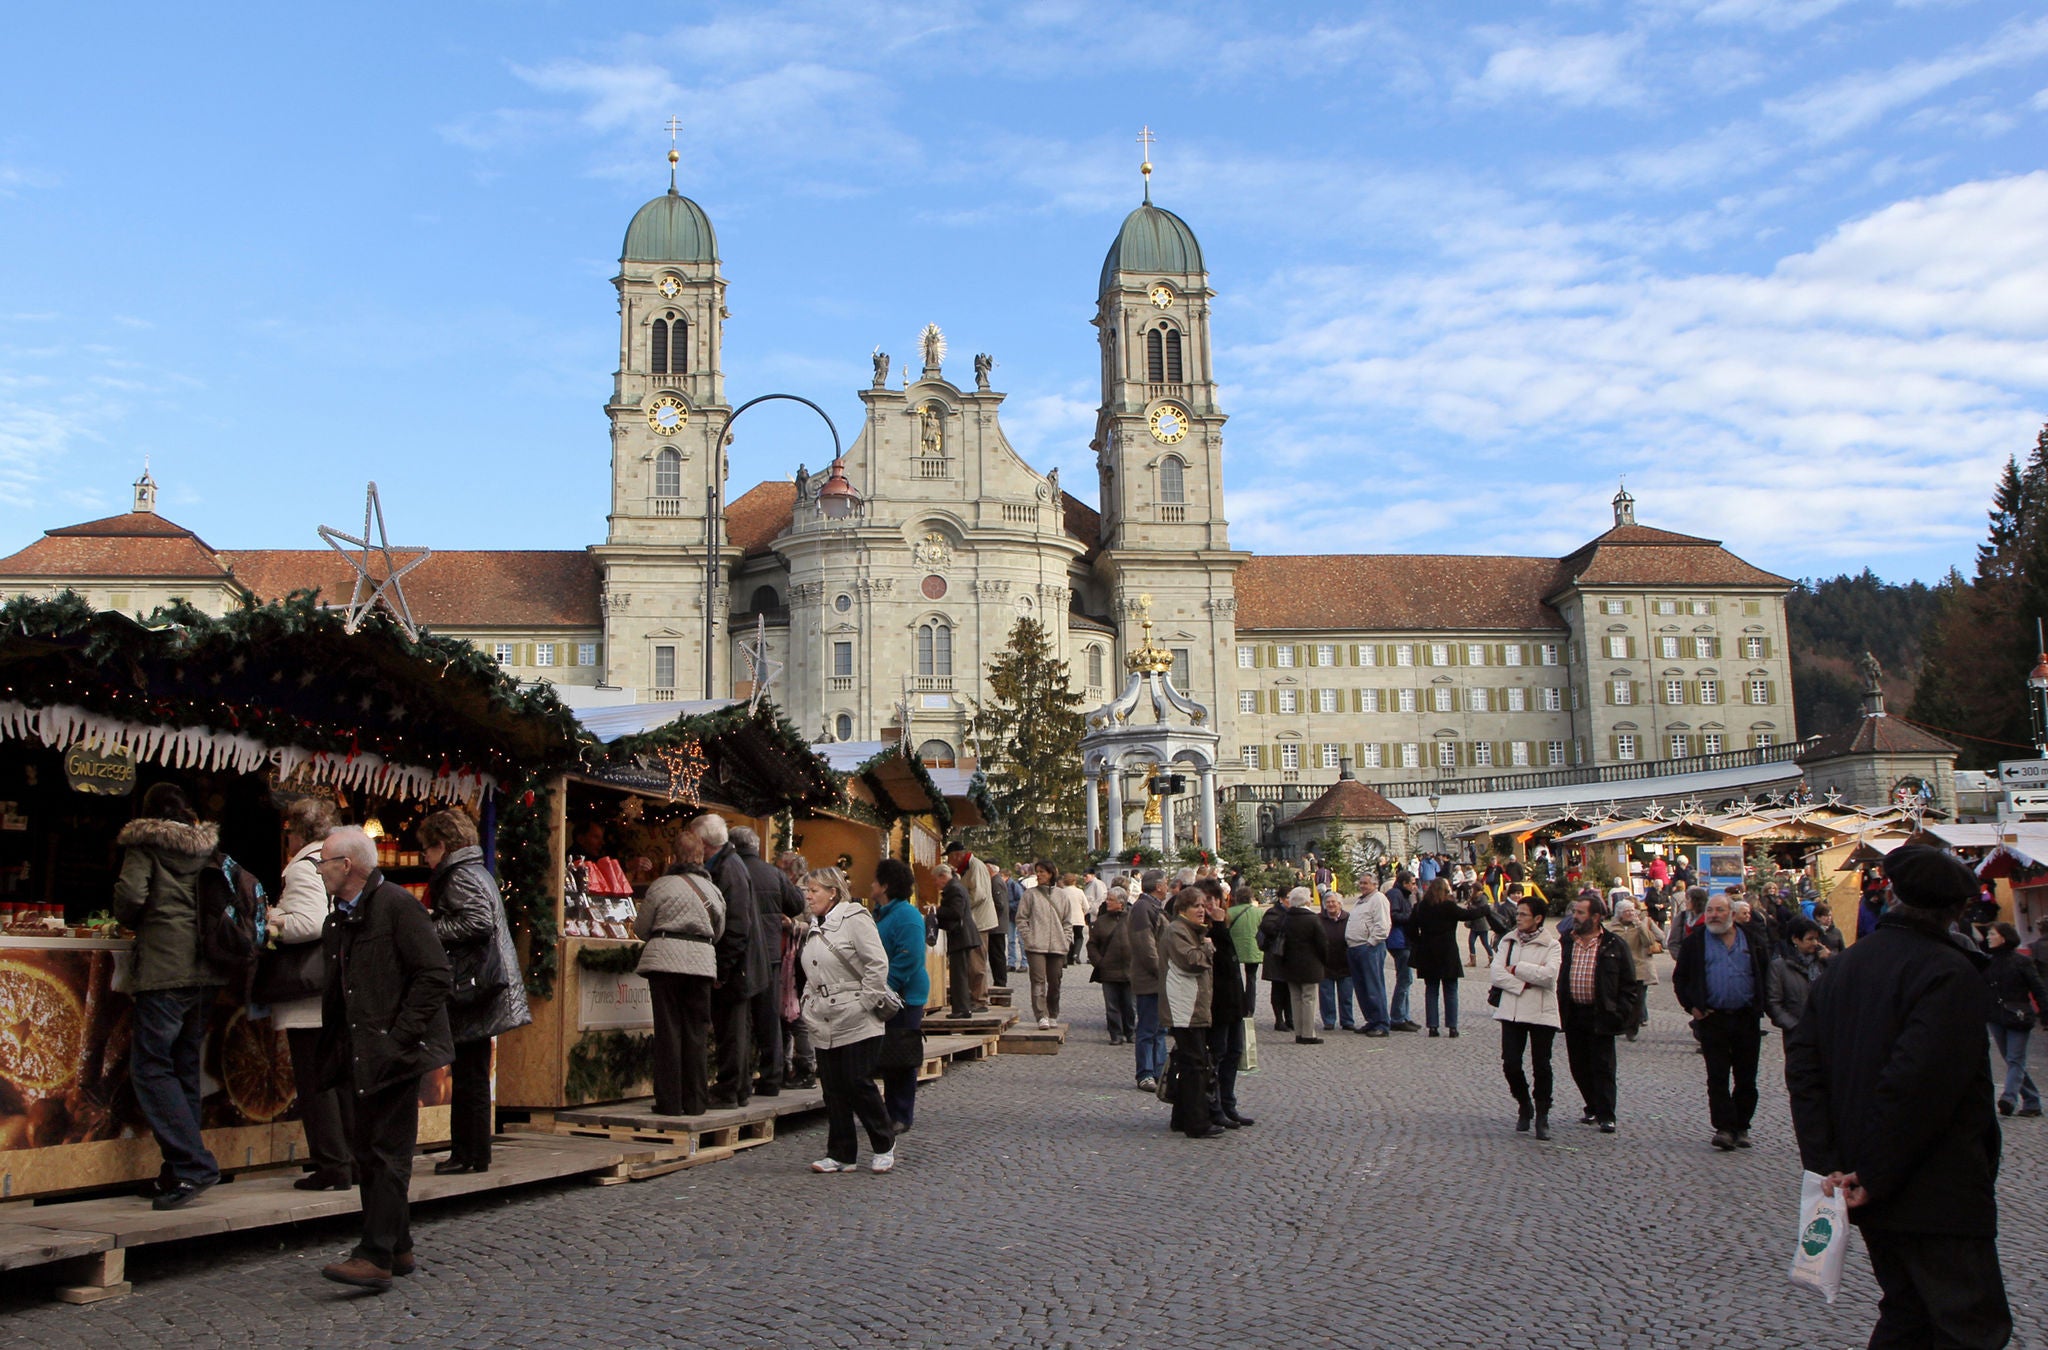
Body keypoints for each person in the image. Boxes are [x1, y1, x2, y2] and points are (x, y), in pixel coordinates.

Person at [1786, 845, 2013, 1348]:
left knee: (1908, 1313)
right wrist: (1869, 1172)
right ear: (1957, 911)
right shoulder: (1947, 973)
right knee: (1966, 1322)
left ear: (1892, 895)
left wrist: (1832, 1167)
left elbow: (1804, 1072)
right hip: (1934, 1182)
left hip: (1866, 1180)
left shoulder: (1844, 968)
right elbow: (1916, 1084)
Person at [314, 826, 453, 1291]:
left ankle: (374, 1254)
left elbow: (434, 974)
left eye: (324, 862)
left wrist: (400, 1038)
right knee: (369, 1149)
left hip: (393, 1051)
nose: (320, 870)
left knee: (386, 1153)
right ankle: (398, 1245)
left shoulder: (396, 905)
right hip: (362, 1051)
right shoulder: (340, 918)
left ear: (347, 865)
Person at [111, 782, 225, 1210]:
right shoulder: (205, 848)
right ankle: (177, 1171)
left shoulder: (145, 843)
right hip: (205, 971)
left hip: (164, 968)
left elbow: (130, 897)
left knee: (151, 1069)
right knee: (183, 1068)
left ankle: (193, 1165)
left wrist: (131, 918)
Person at [420, 807, 531, 1175]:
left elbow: (477, 921)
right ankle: (472, 1152)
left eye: (427, 849)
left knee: (469, 1074)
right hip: (482, 984)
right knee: (473, 1073)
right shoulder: (476, 871)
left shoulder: (459, 875)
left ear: (442, 845)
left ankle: (467, 1153)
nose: (424, 857)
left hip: (472, 986)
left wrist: (431, 927)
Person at [263, 796, 353, 1192]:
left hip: (307, 992)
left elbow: (310, 922)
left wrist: (272, 922)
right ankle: (347, 1160)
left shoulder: (303, 868)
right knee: (337, 1081)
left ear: (295, 832)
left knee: (316, 1083)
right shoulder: (338, 860)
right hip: (334, 984)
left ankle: (332, 1164)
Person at [799, 866, 899, 1173]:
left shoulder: (854, 918)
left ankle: (884, 1142)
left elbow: (877, 963)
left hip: (857, 1015)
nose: (808, 895)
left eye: (814, 890)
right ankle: (841, 1153)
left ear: (832, 892)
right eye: (806, 890)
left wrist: (865, 1002)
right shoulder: (816, 925)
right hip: (824, 1018)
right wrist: (807, 1002)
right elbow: (812, 971)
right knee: (832, 1087)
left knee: (858, 1081)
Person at [634, 827, 724, 1117]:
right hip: (700, 964)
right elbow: (719, 930)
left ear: (674, 854)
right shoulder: (713, 890)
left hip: (664, 963)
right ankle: (696, 1100)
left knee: (668, 1031)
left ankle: (670, 1102)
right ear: (700, 856)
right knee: (697, 1032)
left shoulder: (661, 886)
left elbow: (641, 927)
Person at [1673, 891, 1770, 1152]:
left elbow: (1764, 972)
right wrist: (1692, 1006)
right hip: (1712, 1018)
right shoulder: (1696, 943)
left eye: (1720, 910)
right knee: (1717, 1076)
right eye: (1711, 910)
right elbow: (1680, 978)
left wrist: (1764, 1005)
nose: (1714, 915)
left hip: (1745, 1017)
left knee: (1746, 1077)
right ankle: (1724, 1128)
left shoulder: (1751, 939)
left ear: (1732, 914)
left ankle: (1742, 1126)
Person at [697, 814, 765, 1109]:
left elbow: (737, 925)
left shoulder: (728, 868)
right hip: (740, 962)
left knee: (733, 1029)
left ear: (703, 842)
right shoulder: (729, 864)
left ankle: (731, 1088)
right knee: (733, 1029)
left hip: (738, 965)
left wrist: (723, 968)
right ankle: (738, 1087)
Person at [731, 826, 804, 1097]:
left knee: (738, 1019)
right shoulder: (773, 873)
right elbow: (796, 903)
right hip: (771, 953)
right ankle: (772, 1077)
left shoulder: (730, 870)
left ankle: (739, 1079)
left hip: (738, 952)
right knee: (769, 1017)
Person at [1556, 893, 1638, 1133]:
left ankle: (1606, 1113)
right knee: (1578, 1065)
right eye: (1575, 912)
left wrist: (1620, 1012)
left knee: (1603, 1065)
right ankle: (1591, 1105)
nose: (1575, 917)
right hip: (1573, 1012)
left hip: (1602, 1012)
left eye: (1581, 913)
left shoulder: (1613, 944)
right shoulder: (1566, 942)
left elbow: (1628, 982)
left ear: (1596, 917)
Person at [1490, 894, 1562, 1140]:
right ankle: (1523, 1103)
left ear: (1538, 918)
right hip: (1512, 1010)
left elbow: (1549, 977)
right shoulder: (1508, 941)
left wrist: (1518, 969)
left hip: (1542, 1012)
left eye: (1523, 914)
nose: (1518, 918)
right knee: (1510, 1063)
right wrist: (1522, 984)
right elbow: (1497, 974)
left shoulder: (1551, 945)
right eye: (1518, 913)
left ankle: (1542, 1113)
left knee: (1541, 1065)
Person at [869, 858, 930, 1135]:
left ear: (885, 885)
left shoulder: (906, 915)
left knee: (901, 1055)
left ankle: (901, 1114)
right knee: (889, 1055)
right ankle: (890, 1110)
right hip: (888, 993)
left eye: (874, 880)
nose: (870, 885)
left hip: (904, 995)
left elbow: (911, 956)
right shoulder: (883, 912)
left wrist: (888, 987)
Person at [1158, 888, 1222, 1138]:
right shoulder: (1177, 931)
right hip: (1184, 1006)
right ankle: (1196, 1122)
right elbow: (1191, 961)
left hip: (1189, 1005)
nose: (1201, 910)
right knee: (1195, 1065)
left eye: (1203, 905)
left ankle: (1182, 1117)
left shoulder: (1188, 930)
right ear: (1182, 909)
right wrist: (1208, 948)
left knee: (1190, 1062)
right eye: (1196, 905)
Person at [1200, 881, 1253, 1129]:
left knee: (1233, 1054)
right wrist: (1219, 925)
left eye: (1215, 900)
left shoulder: (1224, 925)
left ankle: (1228, 1103)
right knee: (1217, 1056)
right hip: (1215, 1004)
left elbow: (1233, 966)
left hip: (1232, 1001)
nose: (1212, 905)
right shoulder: (1204, 930)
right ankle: (1215, 1106)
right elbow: (1218, 960)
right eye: (1207, 900)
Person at [1984, 921, 2048, 1118]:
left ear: (2003, 937)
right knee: (2012, 1061)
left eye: (1992, 934)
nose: (1988, 937)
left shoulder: (2021, 961)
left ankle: (2009, 1098)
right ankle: (2032, 1101)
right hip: (1996, 1016)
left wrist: (2045, 1016)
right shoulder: (1987, 961)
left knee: (2015, 1059)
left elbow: (2038, 989)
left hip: (2018, 1016)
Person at [1410, 878, 1488, 1038]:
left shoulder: (1421, 907)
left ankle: (1433, 1026)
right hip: (1447, 950)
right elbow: (1466, 915)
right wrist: (1485, 909)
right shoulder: (1448, 906)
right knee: (1451, 989)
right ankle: (1452, 1027)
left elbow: (1410, 929)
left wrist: (1420, 941)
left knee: (1431, 990)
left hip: (1428, 951)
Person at [1127, 869, 1170, 1090]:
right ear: (1158, 886)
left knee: (1159, 1028)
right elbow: (1145, 945)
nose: (1168, 886)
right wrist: (1160, 971)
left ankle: (1159, 1070)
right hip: (1150, 979)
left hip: (1159, 978)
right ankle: (1146, 1072)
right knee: (1147, 1028)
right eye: (1165, 883)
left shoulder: (1153, 907)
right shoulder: (1143, 908)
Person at [1015, 860, 1070, 1029]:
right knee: (1038, 981)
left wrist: (1066, 939)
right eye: (1037, 871)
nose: (1039, 875)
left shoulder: (1061, 895)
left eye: (1042, 872)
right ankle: (1041, 1015)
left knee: (1055, 981)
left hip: (1058, 946)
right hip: (1036, 945)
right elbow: (1021, 918)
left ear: (1051, 874)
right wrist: (1028, 937)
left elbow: (1068, 921)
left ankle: (1053, 1013)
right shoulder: (1030, 894)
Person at [1271, 887, 1330, 1044]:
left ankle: (1298, 1031)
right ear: (1306, 900)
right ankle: (1308, 1033)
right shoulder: (1312, 919)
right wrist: (1324, 960)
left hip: (1290, 963)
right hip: (1310, 964)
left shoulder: (1286, 918)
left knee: (1295, 998)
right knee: (1309, 998)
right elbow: (1322, 943)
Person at [946, 839, 997, 1009]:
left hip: (979, 922)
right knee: (970, 963)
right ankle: (973, 997)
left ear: (957, 856)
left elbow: (979, 894)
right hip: (973, 921)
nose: (948, 861)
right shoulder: (966, 867)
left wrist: (960, 905)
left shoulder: (976, 866)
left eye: (949, 857)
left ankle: (980, 999)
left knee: (977, 963)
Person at [1344, 873, 1391, 1036]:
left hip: (1369, 947)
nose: (1362, 885)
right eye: (1361, 882)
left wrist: (1371, 942)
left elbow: (1383, 925)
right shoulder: (1360, 900)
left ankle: (1381, 1022)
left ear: (1374, 884)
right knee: (1361, 988)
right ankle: (1371, 1020)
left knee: (1373, 986)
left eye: (1366, 883)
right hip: (1354, 947)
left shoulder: (1378, 899)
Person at [1088, 886, 1135, 1044]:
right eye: (1107, 899)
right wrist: (1099, 962)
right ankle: (1116, 1034)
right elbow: (1092, 945)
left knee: (1129, 1005)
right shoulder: (1101, 922)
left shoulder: (1132, 919)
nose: (1107, 902)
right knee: (1112, 1005)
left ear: (1121, 903)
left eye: (1110, 899)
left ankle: (1130, 1032)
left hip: (1129, 971)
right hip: (1108, 971)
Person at [1608, 898, 1659, 1041]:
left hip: (1638, 968)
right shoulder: (1611, 928)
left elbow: (1649, 941)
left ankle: (1632, 1028)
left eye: (1632, 910)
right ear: (1620, 914)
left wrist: (1640, 925)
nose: (1631, 913)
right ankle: (1620, 1023)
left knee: (1638, 1001)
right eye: (1627, 911)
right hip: (1618, 969)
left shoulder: (1639, 926)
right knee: (1620, 999)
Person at [931, 861, 976, 1019]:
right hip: (961, 935)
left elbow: (956, 912)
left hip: (961, 936)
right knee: (959, 974)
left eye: (936, 880)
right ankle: (961, 1007)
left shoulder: (954, 889)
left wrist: (937, 910)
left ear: (943, 877)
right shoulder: (956, 887)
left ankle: (961, 1009)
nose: (935, 884)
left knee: (959, 975)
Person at [1766, 917, 1825, 1034]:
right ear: (1795, 939)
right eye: (1810, 939)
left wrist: (1831, 960)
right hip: (1797, 1033)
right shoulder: (1780, 967)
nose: (1815, 943)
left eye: (1817, 939)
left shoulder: (1822, 962)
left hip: (1823, 1031)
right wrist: (1795, 1027)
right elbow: (1773, 1003)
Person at [1385, 870, 1420, 1031]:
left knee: (1406, 979)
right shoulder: (1395, 894)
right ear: (1405, 883)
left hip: (1404, 940)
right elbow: (1394, 916)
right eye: (1412, 883)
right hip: (1398, 941)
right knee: (1404, 979)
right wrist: (1412, 917)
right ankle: (1398, 1017)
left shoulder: (1404, 895)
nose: (1414, 886)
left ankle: (1404, 1016)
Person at [1316, 892, 1356, 1032]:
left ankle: (1347, 1020)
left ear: (1340, 904)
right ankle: (1329, 1020)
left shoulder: (1349, 918)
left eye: (1334, 902)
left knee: (1346, 995)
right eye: (1328, 902)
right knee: (1326, 996)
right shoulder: (1318, 919)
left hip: (1345, 962)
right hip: (1325, 963)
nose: (1331, 905)